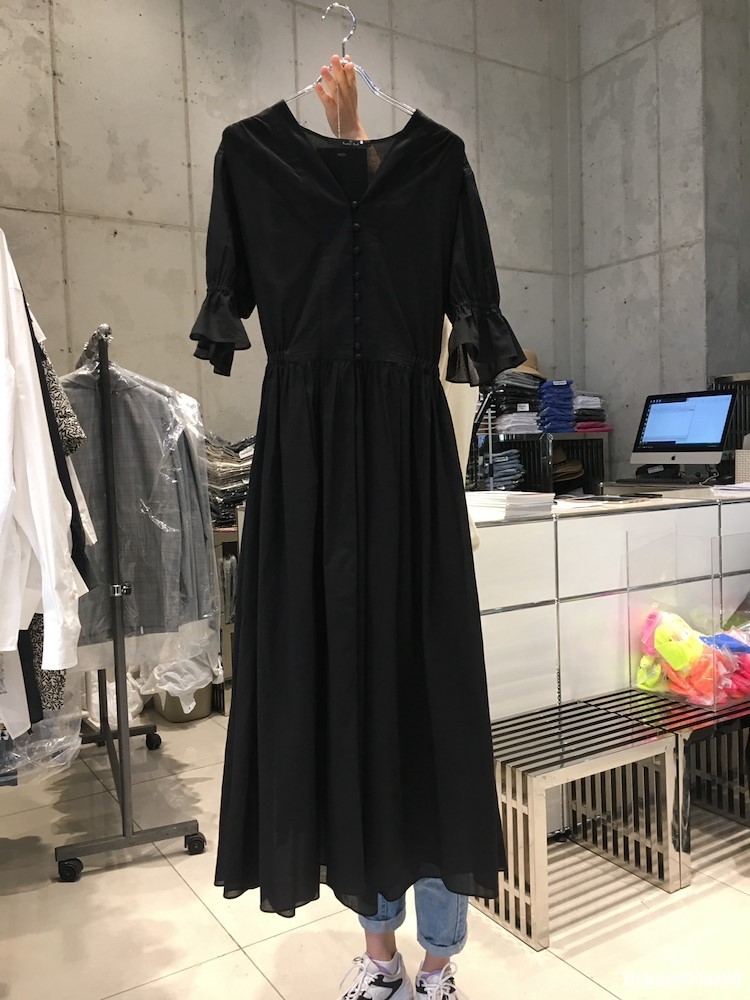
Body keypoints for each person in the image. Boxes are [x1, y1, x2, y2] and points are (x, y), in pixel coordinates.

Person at [315, 55, 472, 1000]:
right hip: (328, 494)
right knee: (358, 717)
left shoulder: (438, 169)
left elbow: (463, 318)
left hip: (414, 485)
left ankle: (438, 960)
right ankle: (380, 952)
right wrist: (345, 143)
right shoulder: (260, 169)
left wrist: (354, 140)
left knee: (430, 721)